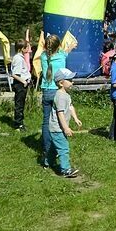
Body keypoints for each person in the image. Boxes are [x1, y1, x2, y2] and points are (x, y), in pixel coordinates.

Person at [40, 34, 76, 167]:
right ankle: (58, 146)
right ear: (58, 46)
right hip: (56, 92)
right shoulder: (61, 56)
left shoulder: (43, 56)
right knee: (59, 118)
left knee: (46, 122)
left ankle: (47, 149)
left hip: (46, 91)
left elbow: (54, 51)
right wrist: (70, 47)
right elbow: (64, 52)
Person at [47, 68, 81, 178]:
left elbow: (70, 107)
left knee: (54, 147)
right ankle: (66, 170)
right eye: (70, 80)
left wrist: (75, 118)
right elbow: (60, 114)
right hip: (57, 128)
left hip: (59, 128)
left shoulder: (66, 94)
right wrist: (66, 128)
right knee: (63, 148)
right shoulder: (60, 96)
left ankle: (47, 162)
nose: (72, 82)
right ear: (61, 83)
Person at [11, 39, 31, 131]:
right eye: (27, 47)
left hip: (21, 83)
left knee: (21, 103)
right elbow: (15, 74)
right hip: (20, 84)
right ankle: (18, 124)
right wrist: (24, 82)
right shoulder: (18, 59)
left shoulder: (20, 57)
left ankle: (20, 122)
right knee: (19, 104)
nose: (29, 49)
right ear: (22, 48)